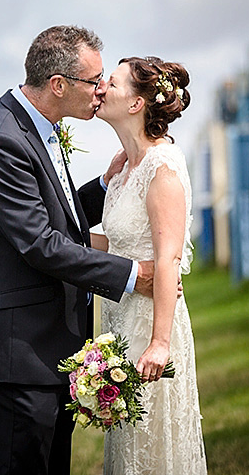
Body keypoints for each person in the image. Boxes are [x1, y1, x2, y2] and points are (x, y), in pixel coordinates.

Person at [0, 25, 157, 475]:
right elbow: (42, 244)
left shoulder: (36, 124)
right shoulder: (0, 141)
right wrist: (131, 275)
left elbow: (56, 215)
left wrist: (104, 185)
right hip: (18, 355)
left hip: (47, 349)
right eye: (95, 79)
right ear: (59, 85)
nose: (101, 88)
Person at [93, 56, 207, 474]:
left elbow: (168, 258)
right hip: (119, 319)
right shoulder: (123, 171)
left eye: (113, 83)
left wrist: (160, 342)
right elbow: (118, 243)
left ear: (138, 104)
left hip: (150, 323)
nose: (101, 88)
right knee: (128, 449)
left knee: (153, 447)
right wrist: (52, 236)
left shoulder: (163, 167)